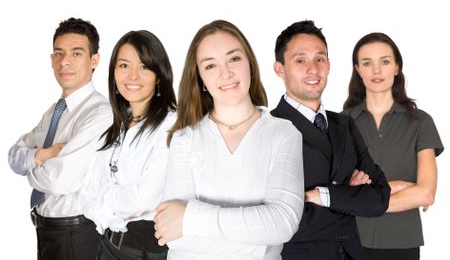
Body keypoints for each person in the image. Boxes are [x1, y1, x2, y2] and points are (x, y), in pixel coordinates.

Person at [152, 20, 304, 259]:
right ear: (200, 77)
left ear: (249, 63)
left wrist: (190, 219)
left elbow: (283, 223)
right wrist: (260, 242)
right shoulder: (184, 139)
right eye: (210, 66)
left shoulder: (284, 134)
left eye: (234, 59)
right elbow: (174, 235)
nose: (226, 73)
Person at [271, 20, 391, 260]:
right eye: (300, 60)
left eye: (320, 59)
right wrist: (349, 197)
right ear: (280, 69)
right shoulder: (269, 127)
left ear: (329, 65)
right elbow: (281, 222)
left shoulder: (344, 124)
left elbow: (379, 199)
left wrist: (321, 196)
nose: (313, 69)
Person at [7, 17, 112, 260]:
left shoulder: (99, 114)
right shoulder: (54, 111)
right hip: (47, 231)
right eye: (58, 53)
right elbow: (13, 156)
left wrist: (30, 168)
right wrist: (44, 155)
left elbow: (58, 182)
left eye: (76, 53)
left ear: (94, 60)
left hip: (75, 236)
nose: (64, 61)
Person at [342, 32, 444, 260]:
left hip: (401, 242)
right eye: (367, 63)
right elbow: (335, 190)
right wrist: (399, 187)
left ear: (397, 67)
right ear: (357, 69)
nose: (376, 71)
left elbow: (426, 194)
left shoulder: (421, 122)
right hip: (349, 240)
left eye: (385, 61)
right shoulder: (341, 123)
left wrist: (361, 200)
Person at [81, 30, 176, 260]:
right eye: (124, 66)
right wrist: (114, 206)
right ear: (113, 73)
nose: (133, 76)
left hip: (145, 252)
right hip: (108, 246)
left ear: (159, 74)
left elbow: (145, 198)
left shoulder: (172, 125)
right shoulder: (116, 128)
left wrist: (104, 199)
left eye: (144, 67)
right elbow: (86, 196)